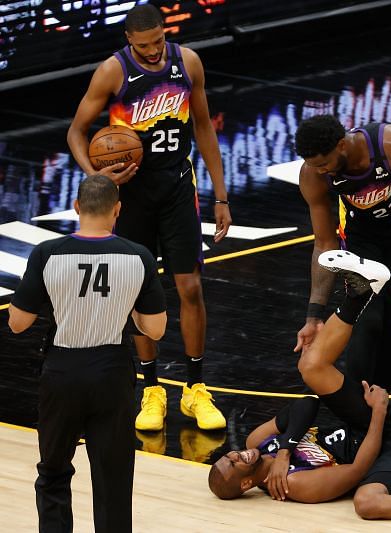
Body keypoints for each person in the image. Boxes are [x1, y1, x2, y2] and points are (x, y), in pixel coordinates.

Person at [209, 251, 391, 521]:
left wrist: (286, 449)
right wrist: (379, 415)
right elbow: (358, 470)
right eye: (233, 464)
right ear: (246, 484)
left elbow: (306, 404)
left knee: (310, 367)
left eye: (228, 456)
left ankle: (359, 293)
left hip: (356, 423)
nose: (235, 455)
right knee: (366, 504)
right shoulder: (295, 484)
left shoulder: (258, 442)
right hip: (383, 444)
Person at [66, 4, 232, 432]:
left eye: (159, 40)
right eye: (145, 45)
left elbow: (204, 127)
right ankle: (153, 390)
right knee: (141, 293)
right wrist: (95, 177)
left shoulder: (187, 62)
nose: (154, 50)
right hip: (132, 196)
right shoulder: (112, 72)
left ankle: (195, 390)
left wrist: (222, 196)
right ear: (128, 40)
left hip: (178, 186)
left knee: (190, 287)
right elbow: (75, 131)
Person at [8, 174, 167, 532]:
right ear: (118, 210)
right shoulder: (138, 256)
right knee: (113, 479)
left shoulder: (47, 254)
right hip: (112, 372)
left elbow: (17, 323)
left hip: (62, 371)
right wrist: (127, 306)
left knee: (53, 471)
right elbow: (155, 329)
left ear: (77, 207)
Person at [292, 115, 391, 392]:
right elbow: (324, 243)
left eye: (323, 163)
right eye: (314, 166)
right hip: (361, 240)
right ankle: (357, 410)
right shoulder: (313, 175)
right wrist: (313, 315)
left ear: (342, 146)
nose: (320, 171)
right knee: (366, 320)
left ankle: (379, 408)